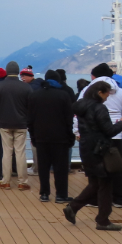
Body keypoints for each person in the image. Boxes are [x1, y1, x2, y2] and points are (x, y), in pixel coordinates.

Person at [64, 81, 122, 230]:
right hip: (100, 149)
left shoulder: (81, 106)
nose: (108, 97)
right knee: (105, 184)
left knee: (95, 182)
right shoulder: (99, 108)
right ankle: (103, 220)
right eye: (107, 93)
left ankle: (73, 207)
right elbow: (109, 131)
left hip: (86, 147)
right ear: (100, 93)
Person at [80, 63, 122, 208]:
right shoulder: (120, 91)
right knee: (117, 167)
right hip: (116, 132)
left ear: (94, 76)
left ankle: (95, 199)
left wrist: (77, 131)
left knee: (96, 169)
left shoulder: (87, 90)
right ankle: (120, 198)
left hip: (94, 136)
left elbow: (79, 111)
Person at [27, 71, 75, 203]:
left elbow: (30, 119)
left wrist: (33, 136)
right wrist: (70, 136)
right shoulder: (63, 95)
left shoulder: (35, 95)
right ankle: (61, 195)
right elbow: (68, 119)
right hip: (60, 137)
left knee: (43, 167)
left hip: (41, 136)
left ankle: (44, 193)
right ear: (58, 81)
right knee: (61, 168)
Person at [0, 61, 32, 190]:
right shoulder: (26, 87)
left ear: (7, 72)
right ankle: (22, 182)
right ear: (18, 72)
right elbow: (31, 106)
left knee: (6, 152)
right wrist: (26, 118)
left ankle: (6, 181)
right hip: (21, 124)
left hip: (4, 123)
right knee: (20, 152)